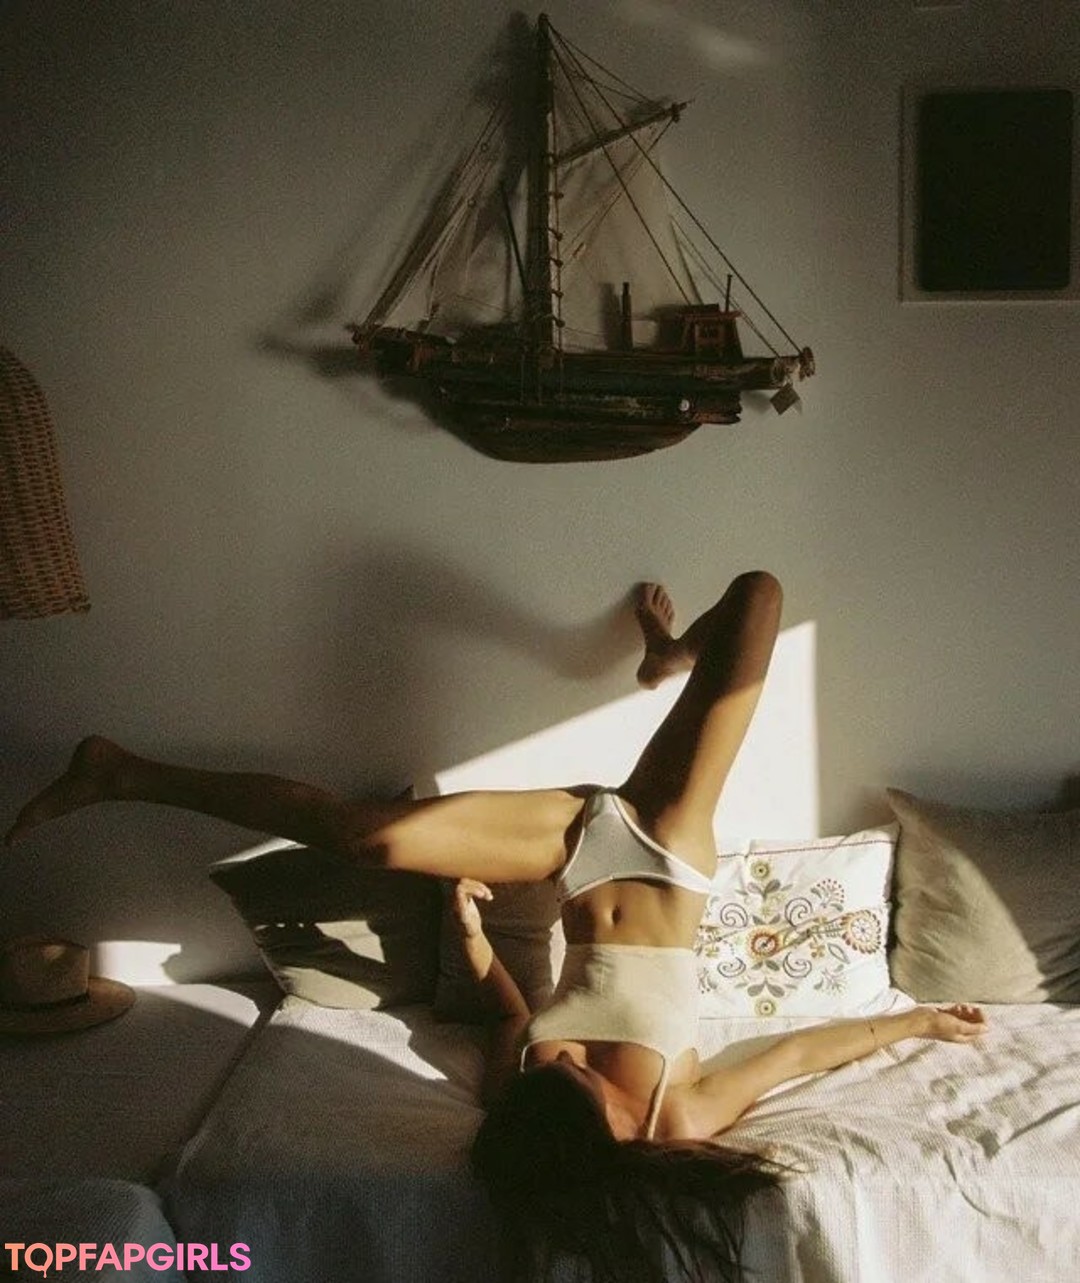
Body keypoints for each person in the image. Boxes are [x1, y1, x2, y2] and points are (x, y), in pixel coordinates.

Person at [5, 572, 987, 1283]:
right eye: (577, 1081)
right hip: (669, 850)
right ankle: (671, 654)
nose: (569, 1064)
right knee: (763, 597)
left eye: (558, 1074)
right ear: (607, 1136)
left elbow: (506, 1012)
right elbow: (794, 1052)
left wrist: (469, 932)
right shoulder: (674, 1120)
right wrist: (918, 1020)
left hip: (573, 849)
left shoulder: (527, 1103)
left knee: (367, 836)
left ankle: (120, 770)